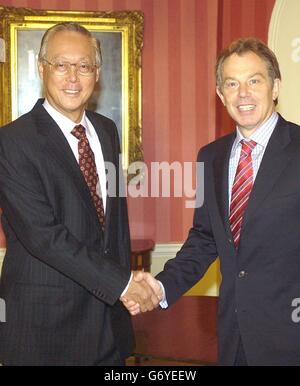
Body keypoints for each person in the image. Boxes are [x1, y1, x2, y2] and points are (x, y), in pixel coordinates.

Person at [125, 38, 300, 366]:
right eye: (232, 84)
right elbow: (204, 240)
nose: (243, 93)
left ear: (275, 87)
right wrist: (160, 288)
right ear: (221, 95)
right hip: (233, 338)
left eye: (254, 80)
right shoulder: (211, 157)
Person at [0, 22, 160, 366]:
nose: (73, 77)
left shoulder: (106, 130)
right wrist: (123, 283)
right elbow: (43, 237)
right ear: (42, 69)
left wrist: (123, 292)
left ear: (97, 73)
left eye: (84, 66)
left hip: (107, 323)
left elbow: (114, 225)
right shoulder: (12, 142)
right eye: (61, 65)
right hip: (44, 330)